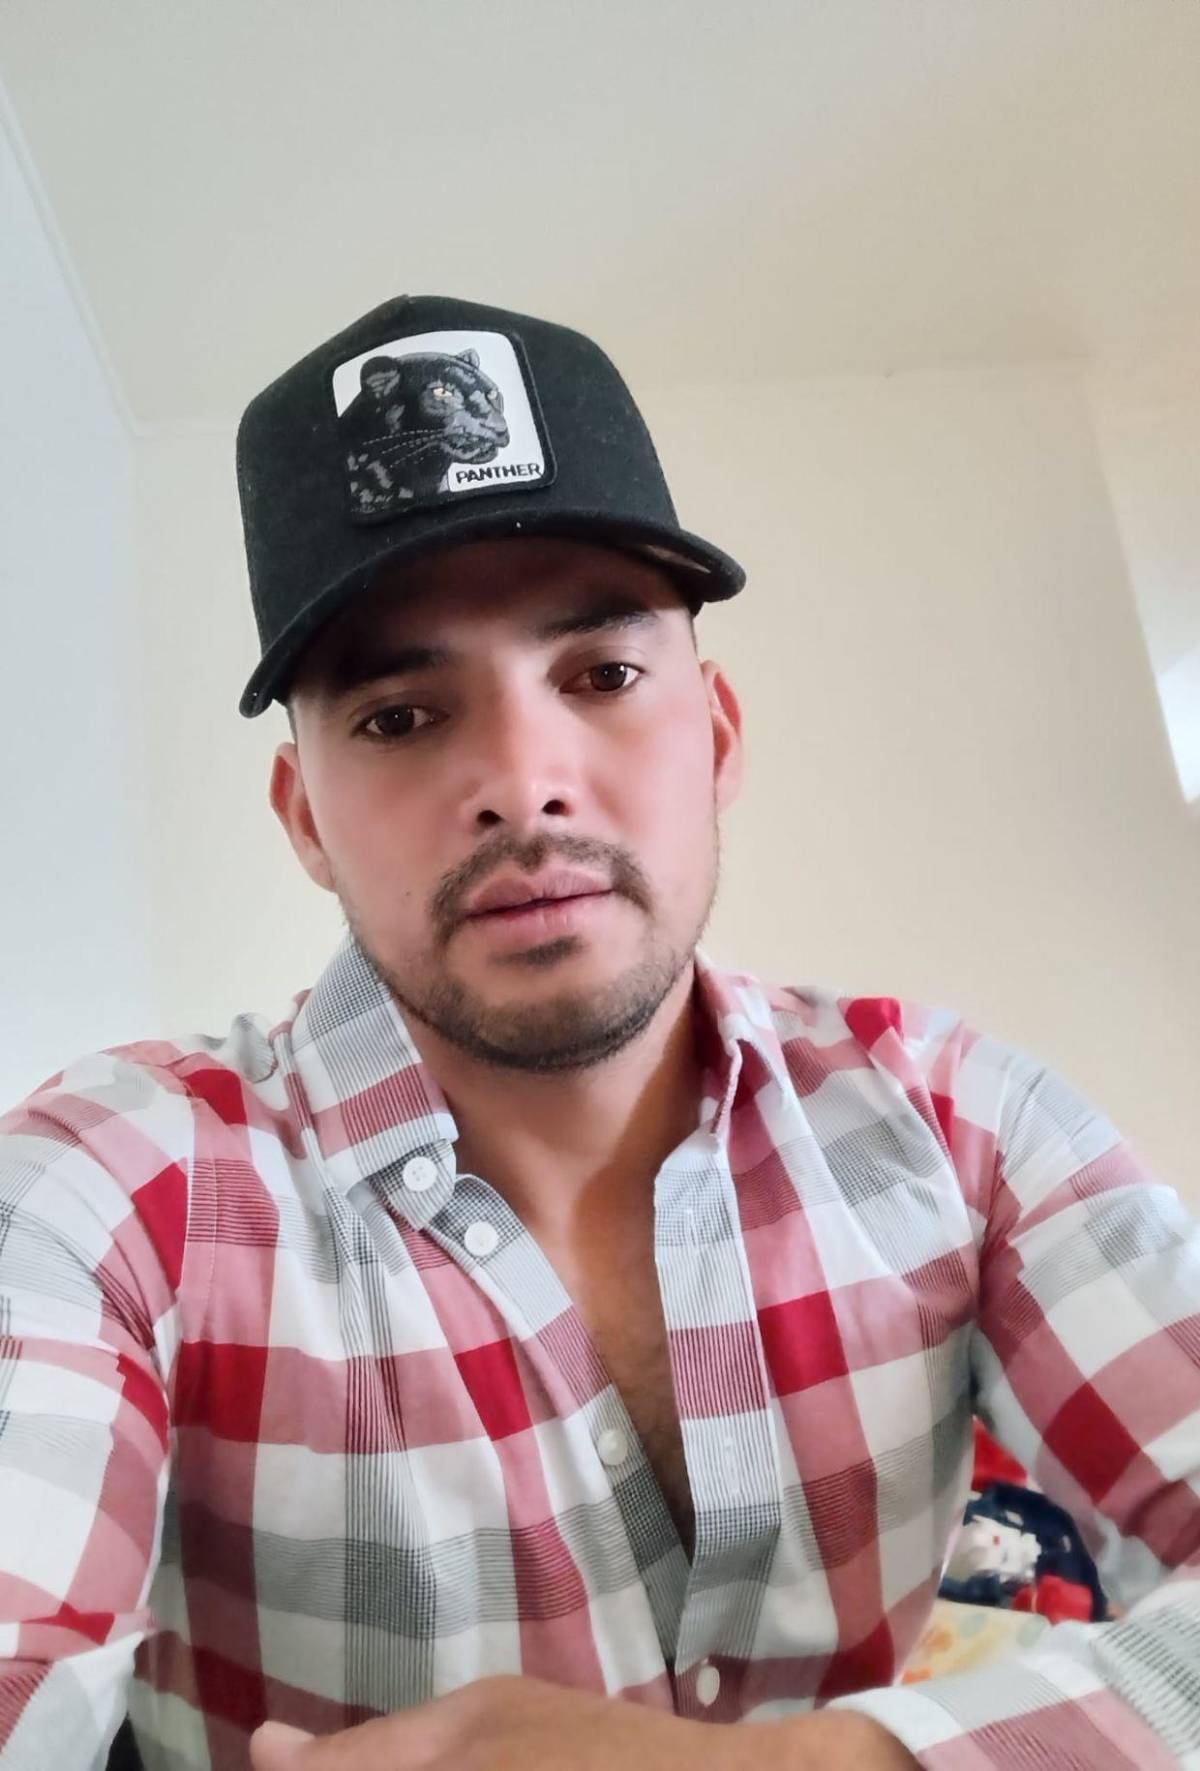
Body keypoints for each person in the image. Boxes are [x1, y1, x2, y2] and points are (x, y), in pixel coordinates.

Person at [0, 296, 1195, 1771]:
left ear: (719, 735)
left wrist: (795, 1768)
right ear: (306, 820)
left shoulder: (965, 1127)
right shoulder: (110, 1191)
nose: (523, 779)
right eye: (398, 716)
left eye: (603, 676)